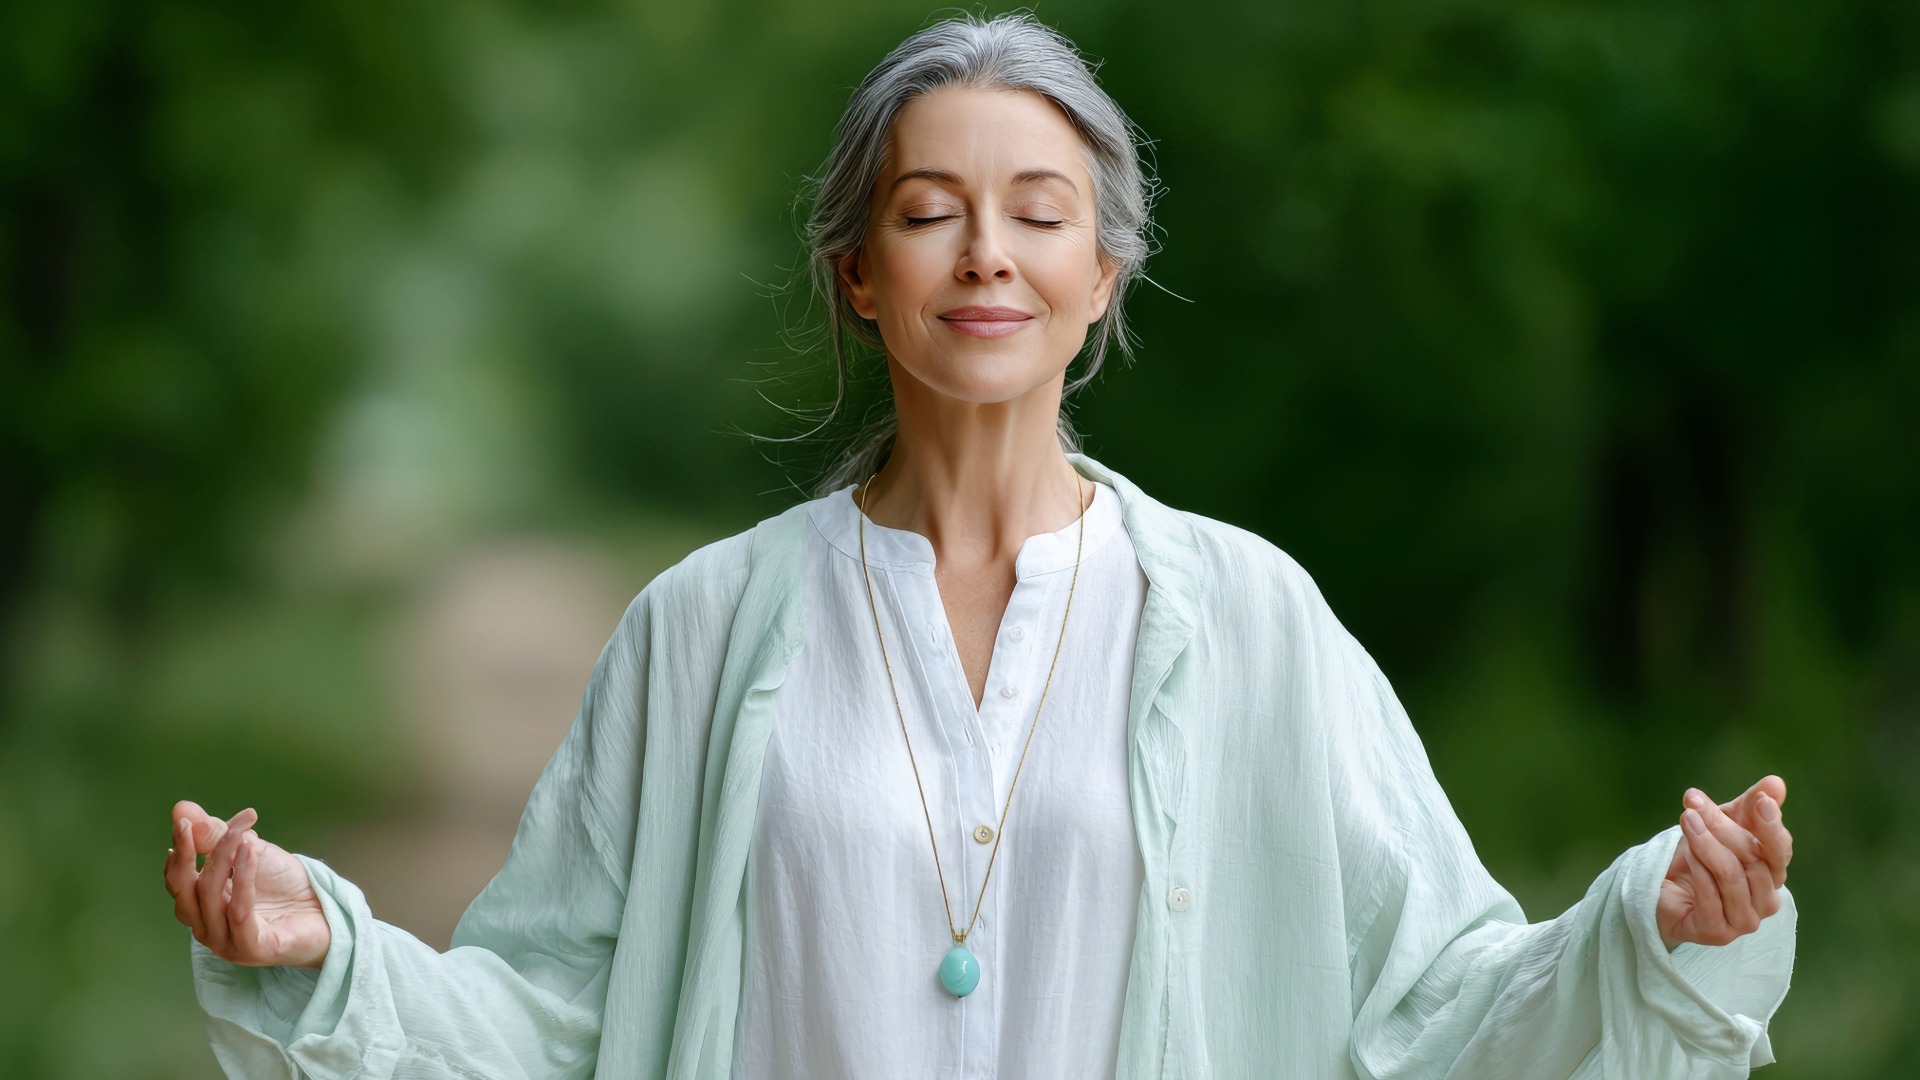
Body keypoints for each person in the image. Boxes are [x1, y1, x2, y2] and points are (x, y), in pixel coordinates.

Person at [162, 13, 1796, 1079]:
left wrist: (1652, 930)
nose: (986, 253)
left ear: (1102, 277)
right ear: (860, 275)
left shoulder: (1253, 619)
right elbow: (551, 1014)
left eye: (1040, 212)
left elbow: (1437, 1000)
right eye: (931, 209)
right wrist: (332, 956)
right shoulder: (704, 626)